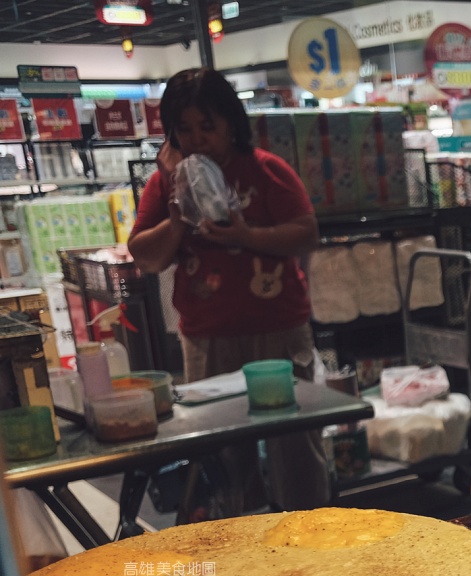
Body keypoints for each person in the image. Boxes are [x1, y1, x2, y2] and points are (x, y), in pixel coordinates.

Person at [128, 68, 327, 516]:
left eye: (208, 126)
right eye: (185, 128)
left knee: (294, 446)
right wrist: (177, 215)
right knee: (219, 456)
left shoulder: (264, 169)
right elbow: (145, 256)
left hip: (277, 330)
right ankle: (236, 544)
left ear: (231, 123)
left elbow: (306, 234)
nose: (198, 139)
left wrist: (245, 235)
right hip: (207, 333)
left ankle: (316, 536)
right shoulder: (165, 184)